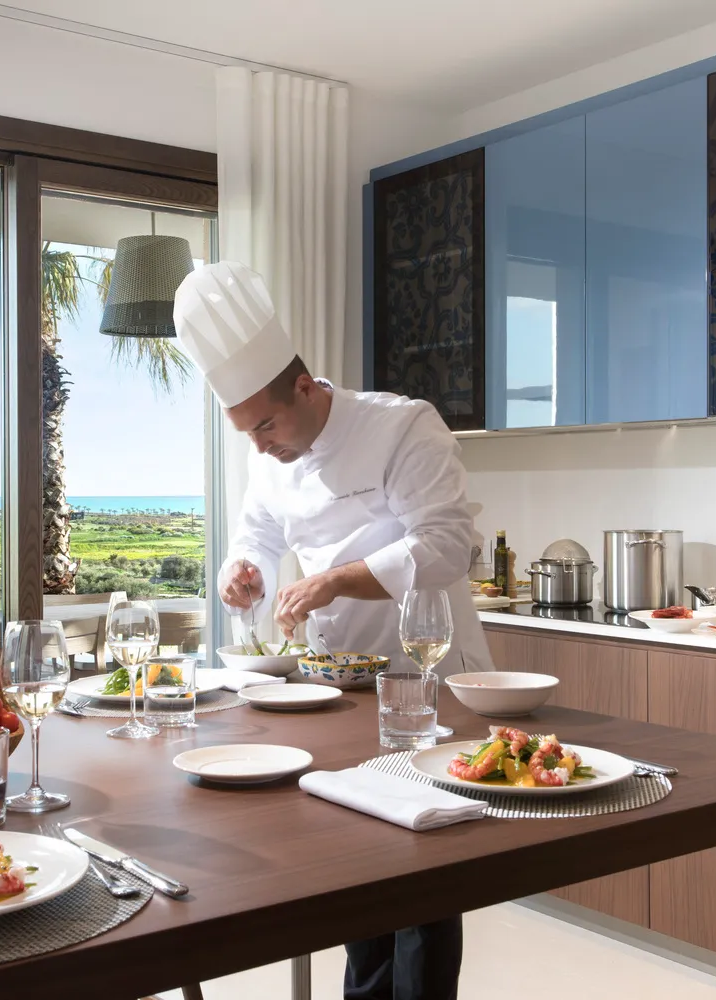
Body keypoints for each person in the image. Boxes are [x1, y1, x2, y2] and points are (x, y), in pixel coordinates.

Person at [173, 260, 494, 1000]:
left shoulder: (401, 424)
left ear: (306, 387)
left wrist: (334, 578)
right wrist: (241, 571)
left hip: (423, 684)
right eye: (244, 433)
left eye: (266, 425)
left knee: (421, 879)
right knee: (359, 869)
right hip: (337, 691)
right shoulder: (269, 460)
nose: (259, 445)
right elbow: (253, 533)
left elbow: (449, 545)